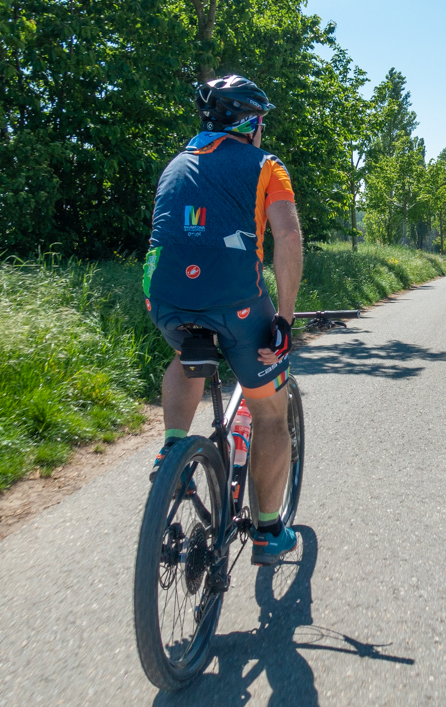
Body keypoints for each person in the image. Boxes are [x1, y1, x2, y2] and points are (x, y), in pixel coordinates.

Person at [142, 75, 303, 566]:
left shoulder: (176, 163)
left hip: (164, 298)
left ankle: (173, 452)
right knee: (270, 412)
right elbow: (287, 237)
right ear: (251, 123)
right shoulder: (266, 165)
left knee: (186, 353)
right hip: (235, 301)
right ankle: (268, 532)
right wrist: (284, 318)